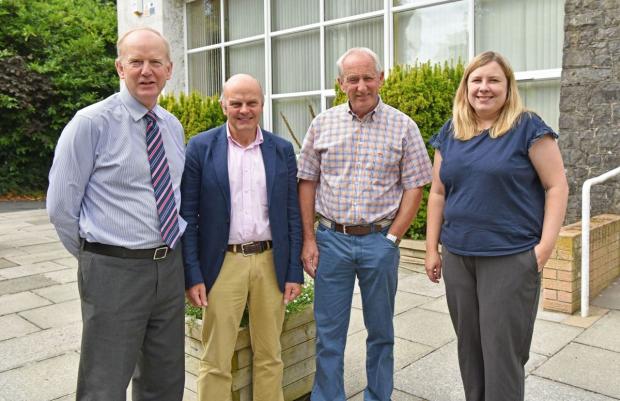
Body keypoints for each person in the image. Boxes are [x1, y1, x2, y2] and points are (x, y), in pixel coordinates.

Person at [47, 27, 186, 400]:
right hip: (114, 271)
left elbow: (172, 195)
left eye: (155, 62)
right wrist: (98, 259)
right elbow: (61, 207)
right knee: (104, 383)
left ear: (169, 69)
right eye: (136, 61)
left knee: (165, 380)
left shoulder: (172, 127)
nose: (146, 70)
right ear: (119, 68)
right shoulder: (90, 123)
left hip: (168, 267)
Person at [424, 51, 569, 401]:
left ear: (508, 86)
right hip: (459, 256)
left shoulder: (528, 128)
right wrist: (432, 248)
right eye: (477, 80)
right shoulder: (452, 131)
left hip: (509, 257)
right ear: (466, 86)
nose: (484, 88)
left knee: (502, 353)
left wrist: (544, 248)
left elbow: (557, 186)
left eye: (493, 80)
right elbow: (438, 193)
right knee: (470, 349)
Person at [297, 47, 433, 401]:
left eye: (367, 77)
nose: (361, 86)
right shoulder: (322, 124)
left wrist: (392, 238)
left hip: (378, 242)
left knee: (381, 331)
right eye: (352, 79)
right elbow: (307, 181)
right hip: (331, 240)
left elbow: (415, 185)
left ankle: (378, 396)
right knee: (329, 332)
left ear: (381, 78)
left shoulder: (403, 126)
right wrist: (309, 239)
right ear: (341, 83)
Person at [181, 73, 303, 401]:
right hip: (223, 264)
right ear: (223, 105)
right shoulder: (201, 148)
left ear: (262, 105)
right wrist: (193, 274)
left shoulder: (281, 150)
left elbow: (293, 214)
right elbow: (188, 217)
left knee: (270, 355)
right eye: (236, 103)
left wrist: (294, 271)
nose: (244, 110)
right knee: (215, 358)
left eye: (251, 102)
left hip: (269, 262)